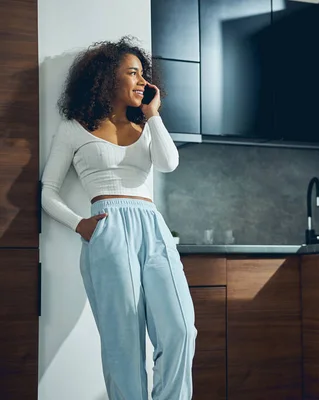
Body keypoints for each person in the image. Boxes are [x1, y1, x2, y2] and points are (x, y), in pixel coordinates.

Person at [41, 36, 197, 400]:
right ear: (108, 78)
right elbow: (48, 190)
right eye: (133, 73)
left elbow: (169, 163)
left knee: (180, 330)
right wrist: (79, 223)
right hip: (107, 229)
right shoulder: (73, 128)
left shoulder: (145, 125)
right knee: (123, 342)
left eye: (144, 75)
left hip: (153, 228)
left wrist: (153, 114)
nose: (142, 81)